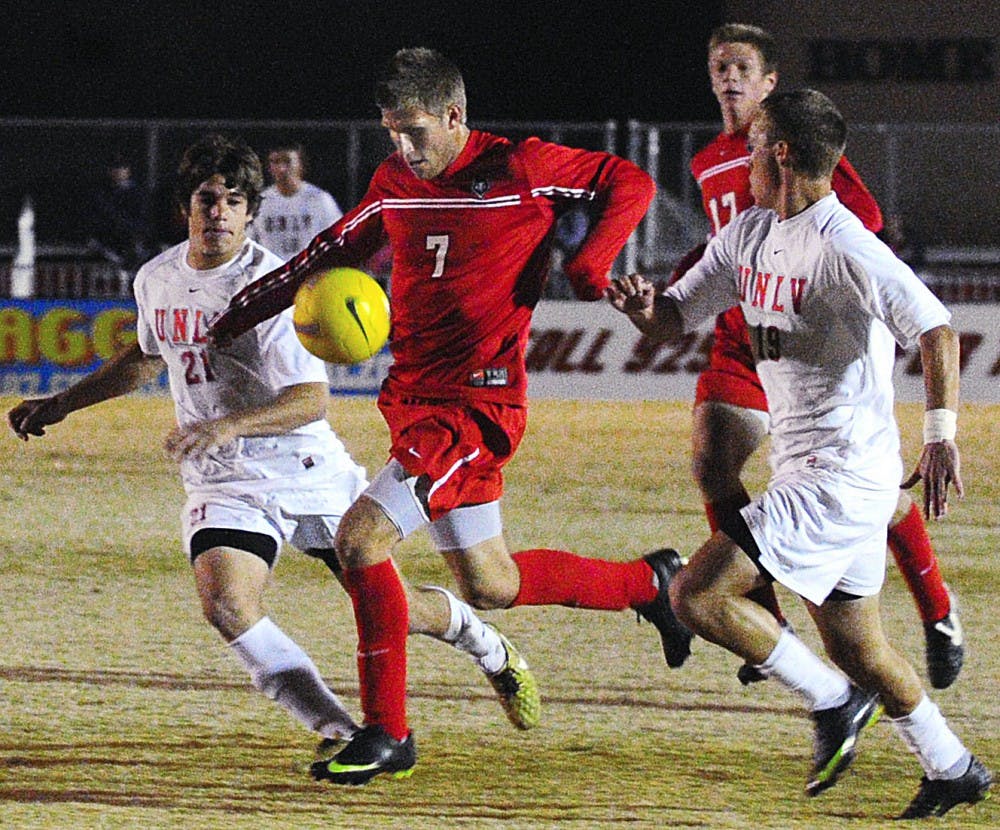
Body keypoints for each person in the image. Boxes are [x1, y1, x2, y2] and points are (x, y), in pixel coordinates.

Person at [208, 48, 690, 786]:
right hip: (413, 401)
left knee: (361, 539)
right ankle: (652, 586)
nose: (404, 147)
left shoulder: (520, 168)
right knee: (490, 583)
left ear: (456, 116)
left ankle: (388, 733)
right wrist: (240, 313)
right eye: (392, 132)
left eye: (416, 130)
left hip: (477, 407)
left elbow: (628, 178)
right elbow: (328, 251)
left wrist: (592, 265)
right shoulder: (396, 181)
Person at [8, 133, 538, 756]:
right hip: (223, 479)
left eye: (234, 201)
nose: (219, 212)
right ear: (187, 207)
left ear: (252, 212)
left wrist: (227, 423)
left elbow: (310, 400)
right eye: (208, 199)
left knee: (393, 609)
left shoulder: (273, 288)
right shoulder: (157, 278)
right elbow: (148, 357)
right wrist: (61, 403)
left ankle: (485, 643)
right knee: (228, 605)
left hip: (306, 468)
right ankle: (341, 731)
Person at [609, 89, 991, 819]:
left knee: (694, 594)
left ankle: (832, 704)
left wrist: (941, 436)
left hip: (838, 478)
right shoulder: (750, 235)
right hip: (820, 473)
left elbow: (937, 331)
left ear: (782, 153)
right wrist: (641, 310)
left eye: (754, 144)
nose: (742, 156)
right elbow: (673, 319)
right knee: (864, 649)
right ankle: (954, 766)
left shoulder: (845, 244)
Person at [672, 23, 963, 689]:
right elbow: (725, 248)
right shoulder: (710, 159)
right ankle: (762, 619)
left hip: (818, 326)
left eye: (743, 67)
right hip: (748, 327)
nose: (729, 79)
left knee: (867, 486)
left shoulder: (808, 156)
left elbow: (855, 231)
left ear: (770, 83)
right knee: (710, 464)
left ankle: (938, 612)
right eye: (719, 66)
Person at [249, 143, 343, 262]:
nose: (281, 168)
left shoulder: (320, 200)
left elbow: (337, 239)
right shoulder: (261, 202)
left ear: (301, 165)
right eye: (275, 162)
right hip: (272, 274)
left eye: (287, 161)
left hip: (310, 272)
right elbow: (247, 242)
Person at [86, 154, 154, 273]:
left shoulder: (138, 193)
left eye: (122, 168)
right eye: (115, 168)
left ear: (128, 171)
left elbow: (143, 217)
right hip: (110, 237)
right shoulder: (102, 193)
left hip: (132, 235)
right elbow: (103, 216)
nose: (118, 171)